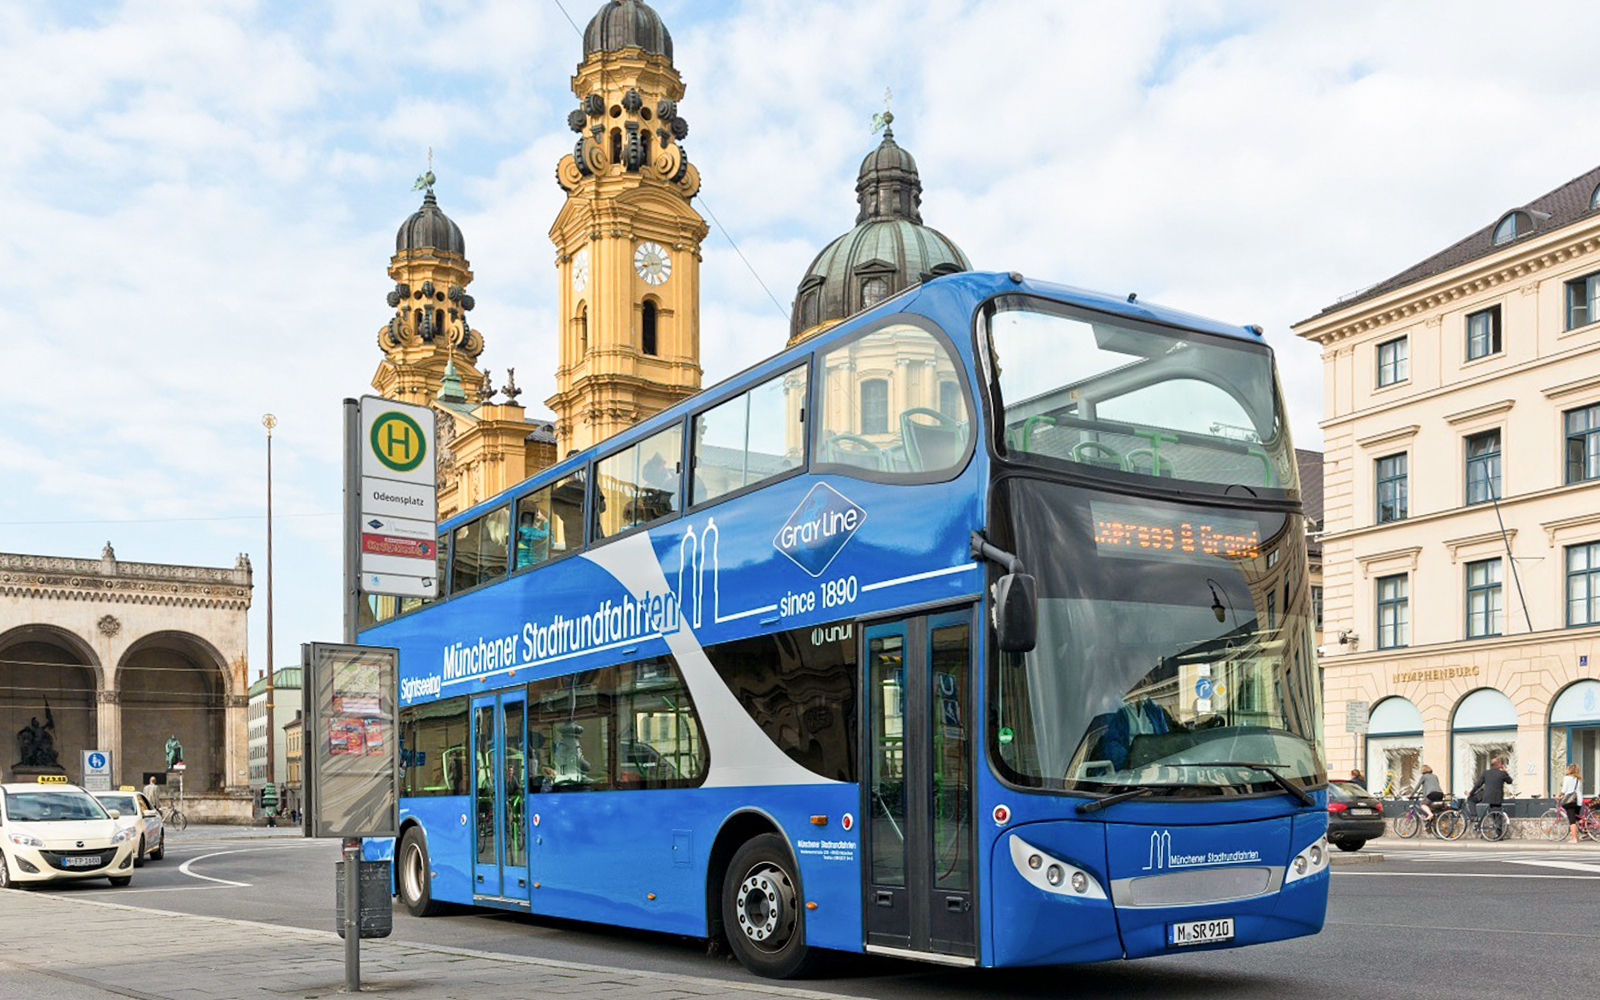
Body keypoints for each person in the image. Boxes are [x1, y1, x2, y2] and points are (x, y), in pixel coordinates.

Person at [1467, 756, 1514, 821]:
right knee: (1497, 816)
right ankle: (1499, 830)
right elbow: (1510, 781)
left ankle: (1474, 816)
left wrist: (1471, 793)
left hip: (1486, 796)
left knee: (1470, 800)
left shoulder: (1486, 773)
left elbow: (1478, 784)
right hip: (1497, 798)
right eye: (1500, 763)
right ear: (1498, 764)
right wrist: (1505, 771)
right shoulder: (1502, 773)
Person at [1559, 764, 1583, 844]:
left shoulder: (1567, 778)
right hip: (1578, 800)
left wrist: (1558, 795)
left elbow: (1564, 790)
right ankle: (1580, 834)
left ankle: (1574, 838)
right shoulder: (1578, 779)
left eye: (1567, 769)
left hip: (1570, 800)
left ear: (1570, 770)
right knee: (1576, 818)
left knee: (1572, 820)